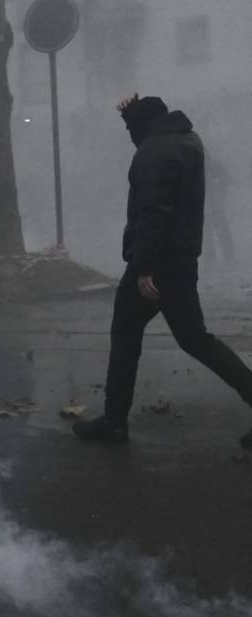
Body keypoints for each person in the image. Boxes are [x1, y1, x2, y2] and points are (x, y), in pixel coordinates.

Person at [74, 94, 252, 448]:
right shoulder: (187, 140)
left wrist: (143, 270)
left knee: (125, 334)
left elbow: (152, 215)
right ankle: (114, 422)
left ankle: (114, 423)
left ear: (142, 126)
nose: (129, 134)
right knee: (196, 340)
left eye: (130, 127)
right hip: (182, 261)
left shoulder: (153, 153)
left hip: (156, 265)